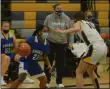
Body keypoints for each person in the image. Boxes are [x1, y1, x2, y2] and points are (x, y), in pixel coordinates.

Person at [56, 11, 107, 88]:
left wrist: (62, 31)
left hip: (94, 47)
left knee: (79, 71)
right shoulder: (91, 24)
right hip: (103, 47)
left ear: (75, 18)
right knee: (90, 71)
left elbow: (76, 29)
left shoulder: (78, 22)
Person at [10, 24, 52, 88]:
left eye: (47, 31)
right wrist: (15, 54)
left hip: (33, 62)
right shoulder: (31, 39)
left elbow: (45, 56)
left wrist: (49, 65)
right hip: (25, 60)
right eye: (44, 31)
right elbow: (20, 44)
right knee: (21, 77)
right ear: (39, 32)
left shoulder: (47, 43)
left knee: (44, 80)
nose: (46, 33)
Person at [44, 3, 74, 88]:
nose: (60, 10)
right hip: (51, 42)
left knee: (60, 63)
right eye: (58, 8)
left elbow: (70, 31)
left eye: (61, 8)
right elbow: (45, 29)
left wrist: (70, 42)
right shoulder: (49, 17)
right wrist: (44, 41)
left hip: (62, 43)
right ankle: (47, 81)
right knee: (48, 62)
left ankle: (59, 82)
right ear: (54, 9)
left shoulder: (66, 18)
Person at [1, 21, 34, 86]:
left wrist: (21, 49)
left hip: (9, 54)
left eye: (7, 26)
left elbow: (16, 48)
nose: (6, 28)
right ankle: (1, 78)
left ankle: (24, 77)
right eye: (5, 26)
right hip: (1, 54)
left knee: (24, 58)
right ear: (1, 27)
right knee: (6, 58)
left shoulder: (12, 36)